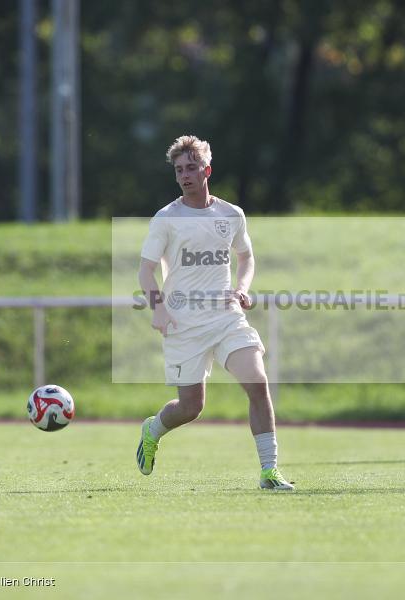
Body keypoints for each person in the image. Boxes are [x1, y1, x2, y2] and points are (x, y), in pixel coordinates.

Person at [135, 134, 294, 490]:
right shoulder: (166, 218)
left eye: (191, 168)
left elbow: (246, 257)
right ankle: (153, 428)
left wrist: (242, 289)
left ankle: (269, 471)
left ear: (207, 170)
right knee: (191, 408)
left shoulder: (231, 214)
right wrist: (158, 309)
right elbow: (145, 270)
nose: (184, 175)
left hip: (226, 317)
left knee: (257, 382)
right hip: (183, 322)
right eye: (179, 170)